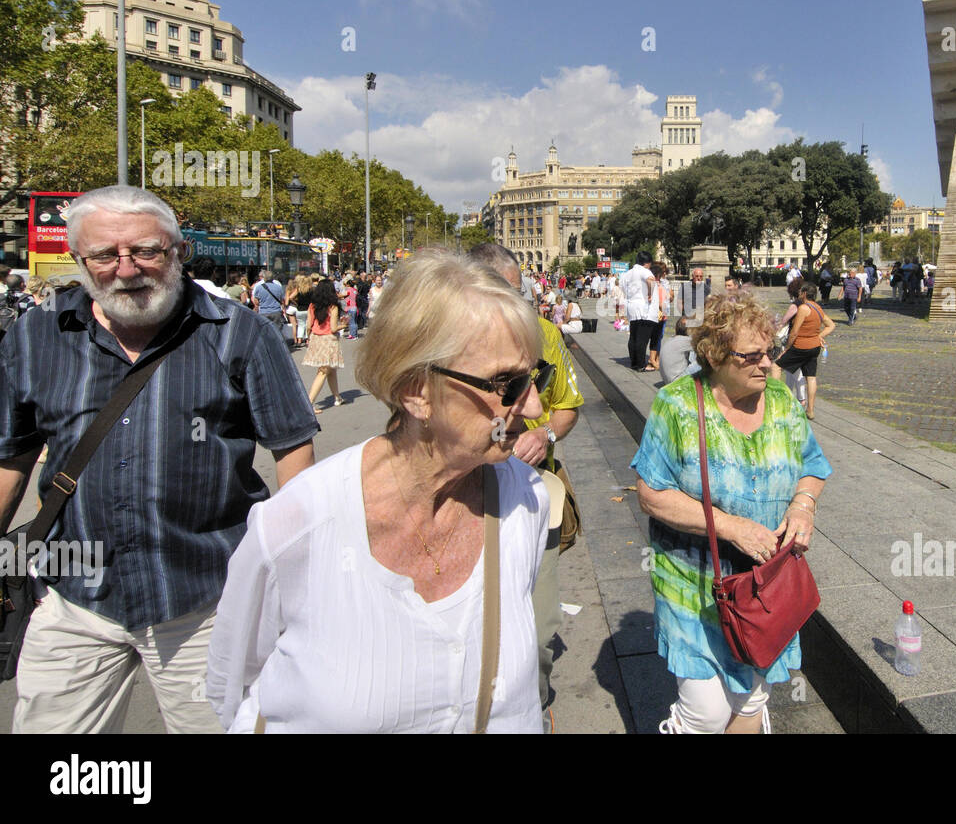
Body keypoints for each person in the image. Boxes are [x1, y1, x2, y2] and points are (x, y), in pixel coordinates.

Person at [0, 185, 316, 734]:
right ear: (80, 261)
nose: (127, 269)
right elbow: (10, 456)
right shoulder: (34, 336)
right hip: (74, 601)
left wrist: (294, 578)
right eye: (104, 255)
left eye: (146, 251)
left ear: (177, 251)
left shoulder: (239, 333)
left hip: (207, 603)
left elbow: (293, 452)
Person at [207, 251, 553, 732]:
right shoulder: (298, 522)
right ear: (417, 391)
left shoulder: (524, 499)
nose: (533, 406)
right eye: (506, 385)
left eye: (536, 377)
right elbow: (235, 685)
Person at [633, 293, 831, 734]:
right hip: (693, 585)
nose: (767, 363)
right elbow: (651, 493)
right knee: (705, 713)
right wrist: (730, 527)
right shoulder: (679, 405)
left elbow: (813, 466)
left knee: (750, 701)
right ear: (715, 356)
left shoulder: (780, 400)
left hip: (766, 587)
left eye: (770, 351)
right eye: (752, 355)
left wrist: (803, 506)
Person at [468, 243, 583, 728]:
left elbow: (565, 407)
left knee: (536, 631)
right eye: (506, 294)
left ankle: (533, 709)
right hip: (467, 501)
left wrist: (546, 433)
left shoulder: (546, 334)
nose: (520, 306)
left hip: (534, 496)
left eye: (522, 294)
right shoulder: (444, 341)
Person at [776, 282, 835, 419]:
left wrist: (787, 349)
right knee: (811, 377)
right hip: (814, 347)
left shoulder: (803, 308)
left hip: (801, 346)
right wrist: (818, 336)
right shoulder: (818, 308)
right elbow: (831, 325)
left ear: (803, 293)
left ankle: (776, 400)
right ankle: (810, 410)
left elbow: (794, 332)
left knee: (776, 366)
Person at [303, 279, 345, 413]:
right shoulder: (333, 306)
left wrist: (308, 337)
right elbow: (333, 328)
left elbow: (309, 325)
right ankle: (309, 403)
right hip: (328, 340)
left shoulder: (312, 305)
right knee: (323, 371)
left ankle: (337, 397)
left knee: (330, 369)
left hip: (316, 338)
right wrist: (344, 325)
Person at [624, 251, 658, 372]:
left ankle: (634, 362)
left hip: (632, 307)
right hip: (644, 309)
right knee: (642, 338)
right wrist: (650, 294)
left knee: (633, 336)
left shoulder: (628, 273)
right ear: (647, 263)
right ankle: (640, 364)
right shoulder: (644, 271)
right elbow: (651, 281)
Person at [659, 316, 698, 384]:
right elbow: (704, 345)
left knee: (695, 353)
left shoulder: (672, 339)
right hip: (677, 382)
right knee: (702, 362)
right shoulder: (686, 341)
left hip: (668, 380)